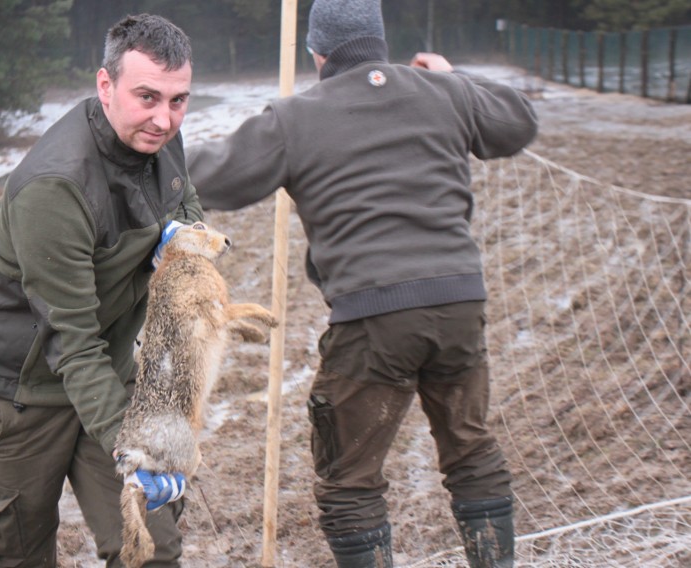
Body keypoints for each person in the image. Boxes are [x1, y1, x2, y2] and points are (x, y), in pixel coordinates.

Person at [186, 0, 538, 566]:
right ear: (379, 39)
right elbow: (518, 122)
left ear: (317, 52)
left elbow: (216, 175)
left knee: (349, 482)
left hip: (375, 317)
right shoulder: (445, 93)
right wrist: (455, 78)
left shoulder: (294, 118)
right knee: (471, 453)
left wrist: (143, 151)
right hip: (459, 304)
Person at [0, 13, 203, 568]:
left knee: (151, 549)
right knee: (19, 553)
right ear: (105, 86)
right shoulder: (56, 186)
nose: (164, 118)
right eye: (147, 97)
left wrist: (188, 241)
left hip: (106, 374)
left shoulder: (161, 140)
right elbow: (72, 341)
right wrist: (130, 450)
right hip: (22, 396)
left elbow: (186, 205)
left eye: (179, 100)